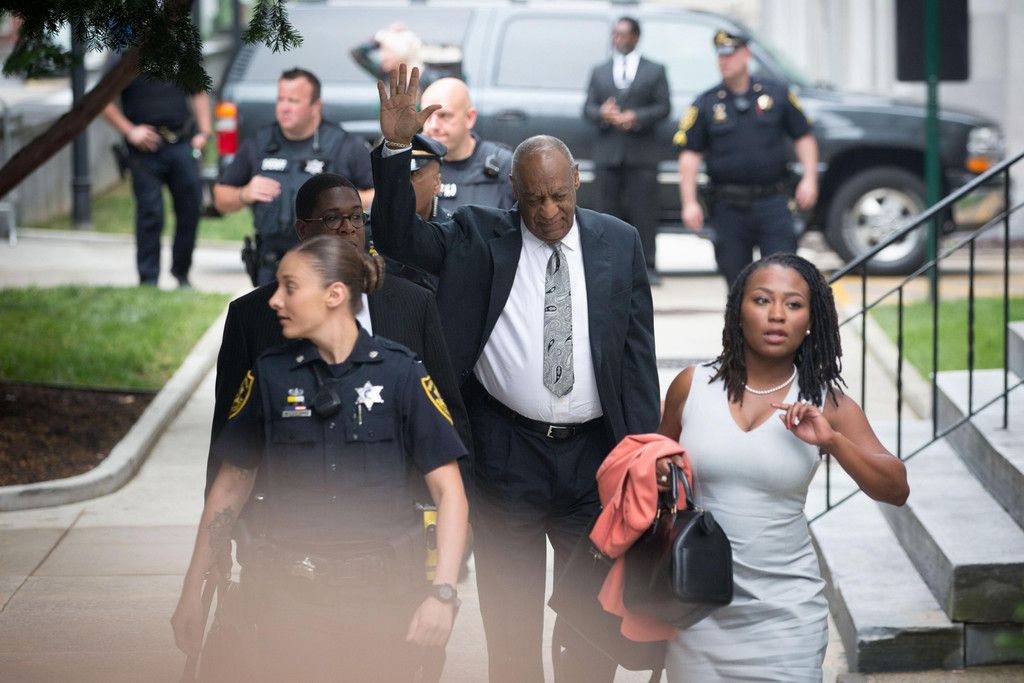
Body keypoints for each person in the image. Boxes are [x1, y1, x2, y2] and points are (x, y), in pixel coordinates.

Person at [372, 65, 660, 683]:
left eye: (559, 195)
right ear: (513, 192)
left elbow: (637, 360)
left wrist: (645, 454)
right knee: (511, 630)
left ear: (577, 180)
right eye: (534, 200)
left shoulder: (619, 243)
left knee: (590, 633)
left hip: (594, 464)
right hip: (507, 457)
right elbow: (396, 236)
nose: (549, 211)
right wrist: (396, 150)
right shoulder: (477, 238)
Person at [172, 234, 469, 681]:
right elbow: (231, 485)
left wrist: (442, 595)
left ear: (335, 294)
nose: (275, 300)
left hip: (384, 602)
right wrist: (193, 589)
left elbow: (450, 493)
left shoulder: (401, 373)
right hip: (288, 603)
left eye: (290, 287)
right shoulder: (269, 375)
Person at [655, 252, 909, 682]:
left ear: (811, 319)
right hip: (695, 609)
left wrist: (832, 440)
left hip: (786, 618)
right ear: (738, 311)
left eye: (793, 304)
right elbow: (653, 468)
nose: (777, 315)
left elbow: (896, 488)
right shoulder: (691, 386)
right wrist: (661, 474)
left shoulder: (827, 401)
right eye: (762, 300)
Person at [207, 172, 471, 497]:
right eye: (332, 219)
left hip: (392, 507)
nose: (348, 228)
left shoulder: (414, 303)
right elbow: (227, 434)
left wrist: (463, 508)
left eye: (357, 217)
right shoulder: (253, 315)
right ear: (303, 229)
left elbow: (449, 414)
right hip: (289, 508)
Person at [675, 29, 819, 288]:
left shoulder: (777, 94)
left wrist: (810, 179)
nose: (724, 61)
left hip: (773, 202)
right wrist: (689, 202)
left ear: (747, 55)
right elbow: (690, 155)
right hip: (728, 207)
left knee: (783, 277)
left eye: (730, 55)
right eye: (720, 56)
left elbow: (803, 137)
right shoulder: (706, 103)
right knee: (737, 285)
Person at [213, 68, 375, 286]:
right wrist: (244, 193)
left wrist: (342, 202)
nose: (284, 107)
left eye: (293, 101)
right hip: (273, 268)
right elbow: (220, 198)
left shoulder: (346, 146)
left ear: (315, 106)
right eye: (281, 99)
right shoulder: (259, 144)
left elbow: (380, 195)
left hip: (328, 266)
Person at [101, 69, 211, 287]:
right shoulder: (126, 55)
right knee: (150, 212)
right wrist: (130, 131)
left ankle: (182, 273)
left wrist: (204, 132)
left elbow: (199, 91)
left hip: (182, 142)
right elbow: (102, 99)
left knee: (190, 208)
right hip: (144, 149)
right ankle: (148, 278)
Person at [583, 16, 670, 285]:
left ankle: (647, 267)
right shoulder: (600, 70)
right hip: (607, 155)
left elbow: (663, 107)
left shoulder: (654, 70)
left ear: (636, 36)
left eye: (623, 34)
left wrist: (636, 117)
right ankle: (606, 266)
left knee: (643, 212)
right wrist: (603, 113)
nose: (617, 39)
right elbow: (587, 108)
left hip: (641, 154)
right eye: (615, 34)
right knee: (605, 213)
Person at [419, 77, 515, 213]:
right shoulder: (411, 164)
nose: (433, 125)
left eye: (444, 115)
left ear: (469, 117)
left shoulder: (503, 166)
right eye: (426, 116)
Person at [368, 133, 450, 293]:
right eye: (394, 177)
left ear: (437, 183)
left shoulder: (451, 234)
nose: (401, 185)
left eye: (412, 175)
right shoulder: (364, 229)